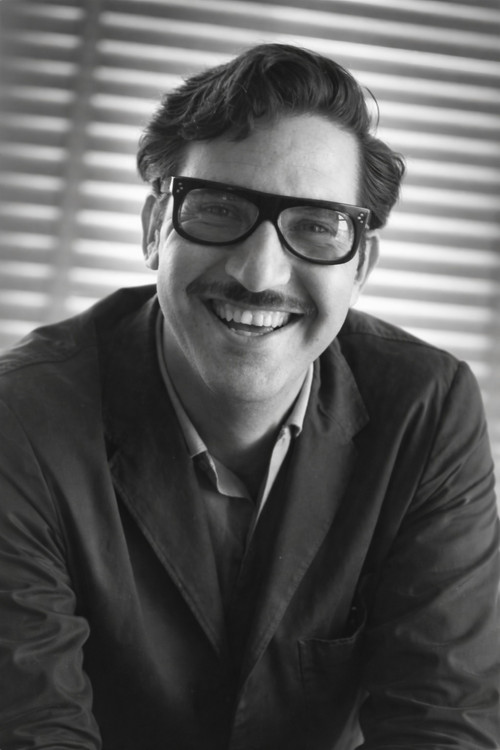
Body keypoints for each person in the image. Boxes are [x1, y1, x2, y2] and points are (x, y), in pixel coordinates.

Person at [0, 42, 498, 750]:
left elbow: (444, 722)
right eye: (217, 209)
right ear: (154, 229)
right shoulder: (20, 418)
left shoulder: (428, 407)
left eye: (316, 227)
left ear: (360, 266)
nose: (260, 274)